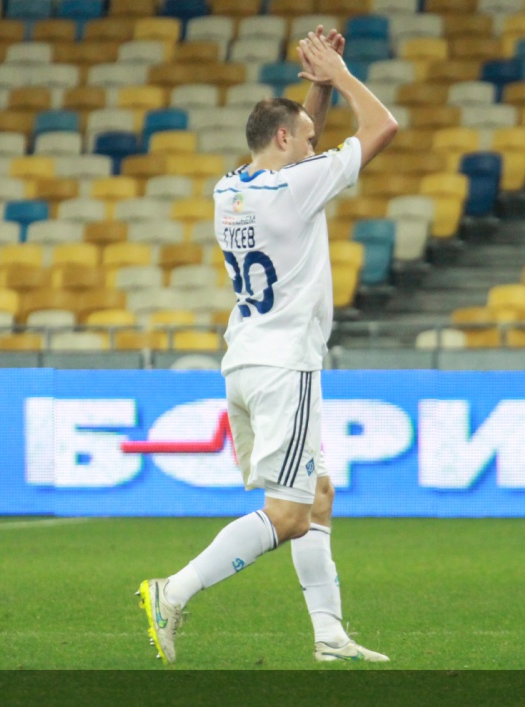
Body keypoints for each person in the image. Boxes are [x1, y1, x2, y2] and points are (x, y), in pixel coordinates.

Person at [138, 26, 398, 665]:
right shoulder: (299, 188)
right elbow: (384, 126)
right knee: (287, 515)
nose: (315, 144)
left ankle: (329, 635)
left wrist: (316, 91)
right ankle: (173, 591)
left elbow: (297, 144)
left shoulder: (231, 187)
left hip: (245, 362)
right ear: (284, 141)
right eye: (307, 139)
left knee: (317, 495)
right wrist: (340, 76)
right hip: (287, 367)